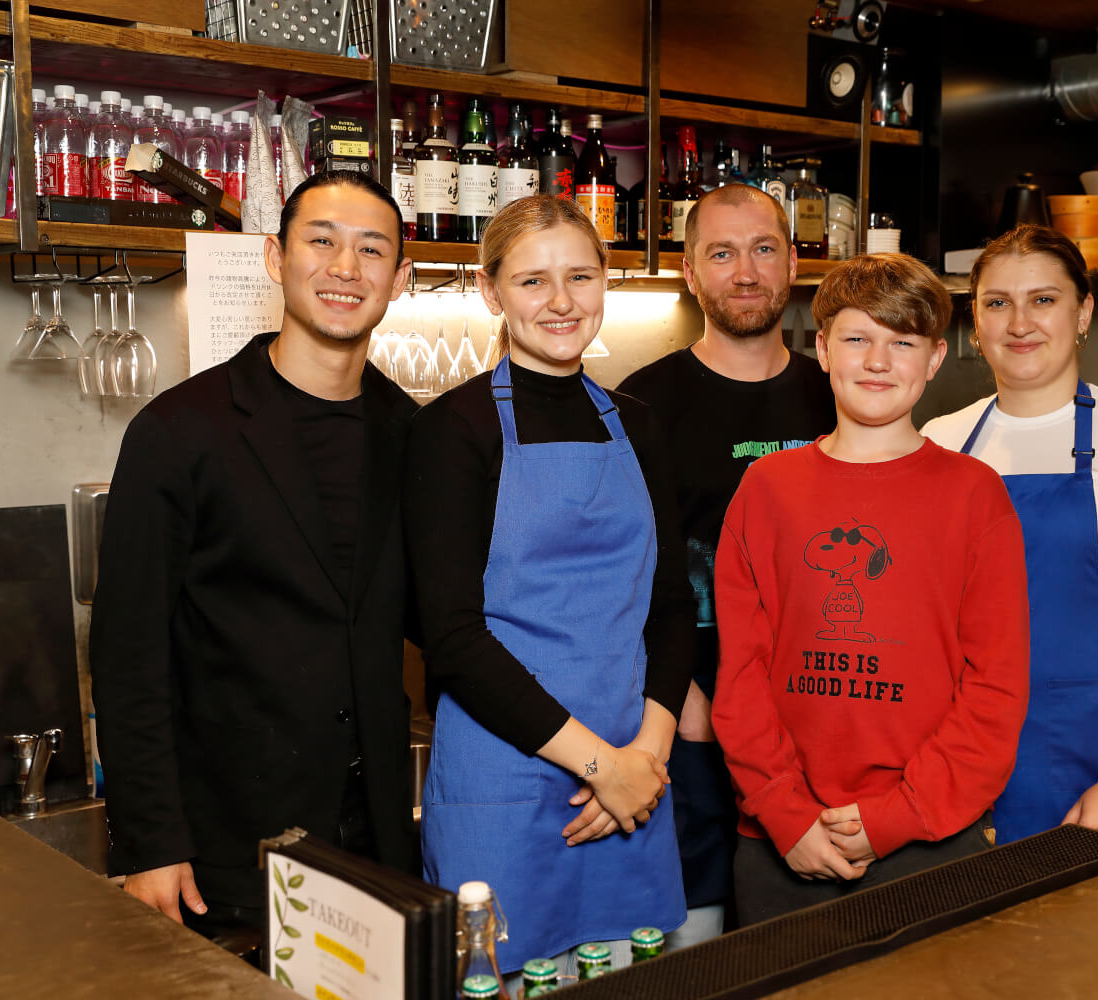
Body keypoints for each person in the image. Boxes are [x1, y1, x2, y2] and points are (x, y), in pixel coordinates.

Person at [90, 171, 419, 937]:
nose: (346, 268)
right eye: (322, 242)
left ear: (399, 278)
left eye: (372, 250)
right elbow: (128, 653)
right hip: (224, 852)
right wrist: (151, 843)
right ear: (275, 258)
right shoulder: (181, 431)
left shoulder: (410, 433)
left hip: (375, 847)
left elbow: (438, 614)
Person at [404, 195, 690, 976]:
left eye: (581, 276)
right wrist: (601, 767)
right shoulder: (452, 430)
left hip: (635, 782)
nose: (561, 302)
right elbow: (454, 640)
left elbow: (669, 607)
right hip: (507, 784)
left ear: (606, 283)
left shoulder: (638, 422)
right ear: (491, 291)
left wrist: (645, 761)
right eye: (533, 282)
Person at [711, 253, 1029, 925]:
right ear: (822, 348)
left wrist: (898, 815)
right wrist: (788, 815)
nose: (878, 361)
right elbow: (739, 678)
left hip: (931, 841)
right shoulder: (767, 489)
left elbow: (996, 689)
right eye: (858, 339)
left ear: (936, 358)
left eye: (902, 342)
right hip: (779, 844)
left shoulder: (975, 496)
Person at [922, 225, 1098, 843]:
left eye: (1044, 299)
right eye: (998, 302)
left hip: (1096, 763)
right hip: (952, 766)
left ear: (1083, 312)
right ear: (974, 322)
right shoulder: (938, 442)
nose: (1019, 321)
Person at [618, 183, 834, 947]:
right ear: (689, 271)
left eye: (763, 249)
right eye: (722, 253)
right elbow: (630, 579)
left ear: (794, 262)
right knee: (700, 945)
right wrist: (686, 703)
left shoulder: (840, 393)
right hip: (696, 724)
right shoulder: (640, 408)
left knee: (814, 943)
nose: (745, 271)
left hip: (821, 722)